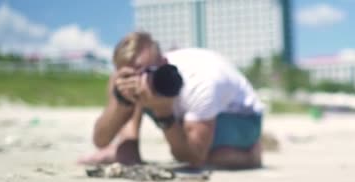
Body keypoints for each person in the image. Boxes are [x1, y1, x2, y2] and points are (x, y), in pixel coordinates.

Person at [79, 31, 264, 169]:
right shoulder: (126, 78)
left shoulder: (202, 82)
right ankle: (127, 149)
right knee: (132, 90)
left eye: (145, 72)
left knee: (212, 157)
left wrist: (164, 112)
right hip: (186, 113)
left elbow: (194, 158)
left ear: (163, 63)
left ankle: (252, 155)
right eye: (129, 76)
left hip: (240, 116)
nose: (139, 82)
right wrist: (122, 101)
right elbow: (100, 140)